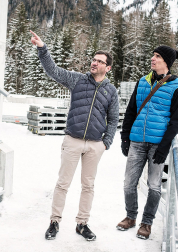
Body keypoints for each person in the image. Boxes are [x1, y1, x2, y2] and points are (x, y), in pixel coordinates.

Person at [30, 31, 119, 241]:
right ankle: (54, 221)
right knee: (63, 183)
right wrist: (42, 49)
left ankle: (82, 223)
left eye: (99, 61)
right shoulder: (78, 81)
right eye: (93, 60)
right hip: (72, 141)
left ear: (108, 67)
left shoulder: (111, 91)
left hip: (95, 145)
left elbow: (114, 119)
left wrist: (106, 143)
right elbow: (52, 70)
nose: (94, 63)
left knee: (88, 186)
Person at [117, 45, 178, 240]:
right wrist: (125, 137)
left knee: (154, 186)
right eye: (153, 55)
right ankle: (130, 217)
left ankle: (146, 223)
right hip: (137, 141)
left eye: (157, 56)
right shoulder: (142, 82)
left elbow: (176, 121)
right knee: (129, 184)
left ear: (166, 62)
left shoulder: (176, 87)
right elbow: (131, 110)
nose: (152, 59)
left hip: (158, 145)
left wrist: (164, 147)